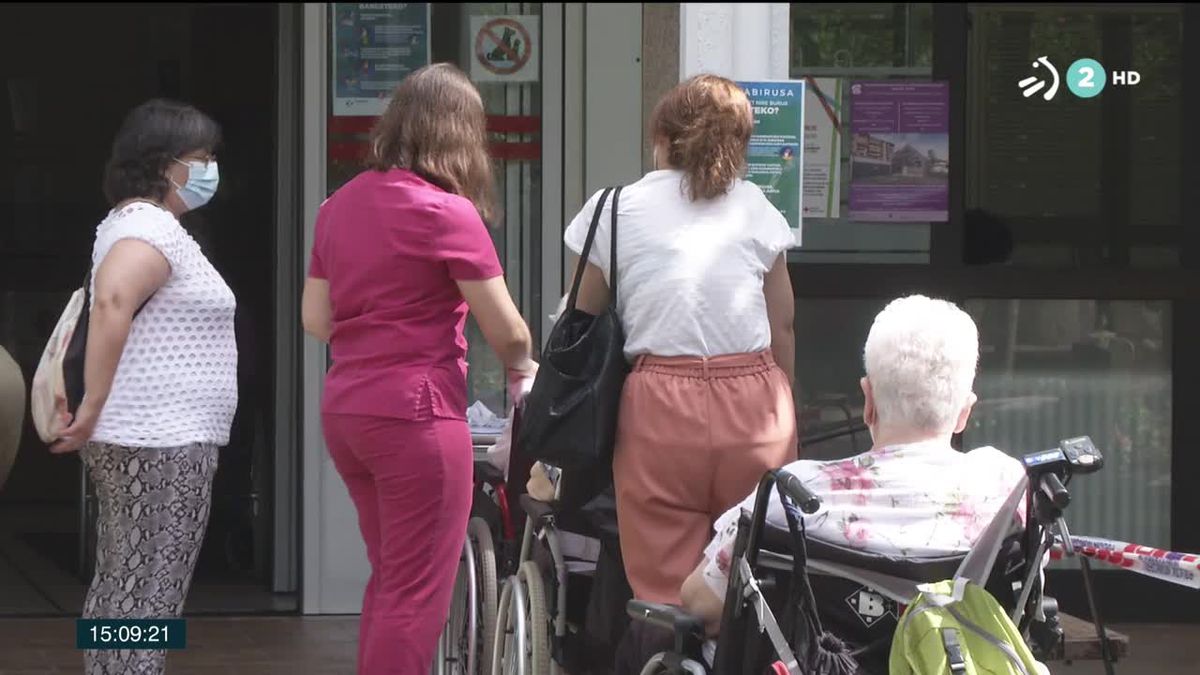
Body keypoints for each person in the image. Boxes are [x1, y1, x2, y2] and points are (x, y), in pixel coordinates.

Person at [301, 63, 536, 675]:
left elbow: (315, 319)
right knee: (415, 593)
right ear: (460, 136)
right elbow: (506, 330)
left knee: (390, 579)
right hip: (416, 414)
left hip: (348, 409)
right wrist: (525, 365)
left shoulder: (338, 206)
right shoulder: (447, 213)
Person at [677, 295, 1026, 664]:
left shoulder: (792, 495)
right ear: (963, 414)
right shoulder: (1004, 488)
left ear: (868, 400)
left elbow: (702, 603)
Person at [566, 74, 798, 605]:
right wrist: (787, 404)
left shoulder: (614, 208)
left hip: (660, 408)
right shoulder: (757, 207)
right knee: (758, 575)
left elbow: (580, 319)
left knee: (667, 592)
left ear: (662, 139)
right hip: (757, 404)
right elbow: (782, 325)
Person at [50, 99, 235, 675]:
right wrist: (93, 404)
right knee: (151, 586)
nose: (209, 169)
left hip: (151, 436)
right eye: (201, 158)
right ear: (165, 163)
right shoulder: (148, 226)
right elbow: (112, 302)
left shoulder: (136, 223)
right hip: (161, 440)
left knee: (127, 577)